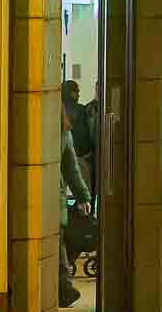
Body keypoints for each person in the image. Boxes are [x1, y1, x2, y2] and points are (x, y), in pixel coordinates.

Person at [58, 107, 91, 308]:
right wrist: (83, 197)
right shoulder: (64, 131)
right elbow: (72, 169)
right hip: (56, 197)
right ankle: (65, 288)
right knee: (57, 242)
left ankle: (65, 288)